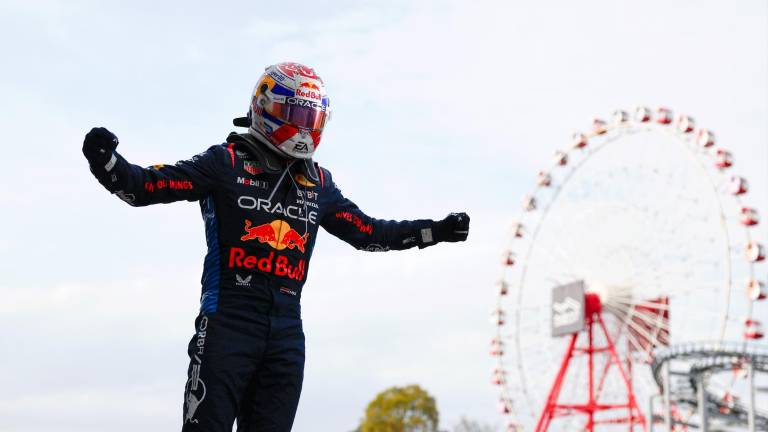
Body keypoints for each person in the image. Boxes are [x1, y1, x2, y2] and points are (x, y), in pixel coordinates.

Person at [82, 62, 470, 432]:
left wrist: (432, 231)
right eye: (295, 115)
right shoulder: (225, 162)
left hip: (286, 336)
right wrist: (108, 163)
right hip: (228, 325)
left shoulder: (319, 183)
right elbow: (147, 186)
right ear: (265, 108)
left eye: (311, 120)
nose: (303, 129)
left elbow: (368, 233)